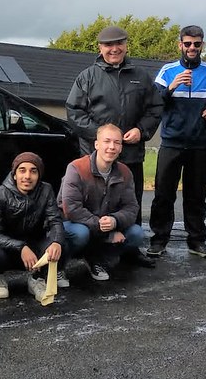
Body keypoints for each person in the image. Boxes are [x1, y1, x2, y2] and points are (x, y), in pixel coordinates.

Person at [148, 25, 206, 259]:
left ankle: (196, 241)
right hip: (171, 142)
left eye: (197, 44)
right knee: (163, 194)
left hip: (199, 143)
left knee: (196, 195)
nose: (192, 48)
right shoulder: (168, 70)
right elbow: (154, 102)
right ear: (180, 45)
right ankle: (159, 240)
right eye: (187, 44)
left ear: (202, 45)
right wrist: (172, 86)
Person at [66, 25, 164, 233]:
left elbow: (155, 108)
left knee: (130, 201)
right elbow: (74, 113)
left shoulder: (141, 76)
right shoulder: (87, 77)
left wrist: (142, 130)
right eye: (108, 45)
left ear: (126, 46)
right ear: (100, 48)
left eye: (119, 43)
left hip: (131, 154)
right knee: (95, 202)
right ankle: (95, 246)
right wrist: (104, 139)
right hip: (95, 157)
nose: (114, 49)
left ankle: (130, 248)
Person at [59, 124, 146, 281]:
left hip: (104, 225)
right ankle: (59, 266)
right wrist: (106, 231)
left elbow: (131, 208)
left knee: (136, 234)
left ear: (121, 147)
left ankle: (98, 260)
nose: (111, 147)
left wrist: (115, 220)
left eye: (117, 142)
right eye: (107, 141)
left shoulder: (125, 172)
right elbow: (71, 209)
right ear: (96, 144)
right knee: (80, 234)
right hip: (74, 224)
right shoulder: (76, 168)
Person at [0, 152, 66, 301]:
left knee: (58, 246)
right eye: (22, 170)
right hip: (6, 246)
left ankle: (36, 278)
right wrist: (21, 247)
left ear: (39, 175)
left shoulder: (46, 190)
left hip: (34, 243)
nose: (27, 176)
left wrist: (56, 242)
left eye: (33, 171)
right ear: (14, 174)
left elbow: (55, 220)